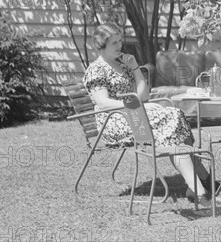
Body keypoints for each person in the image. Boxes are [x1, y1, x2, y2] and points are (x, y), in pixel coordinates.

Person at [83, 23, 214, 204]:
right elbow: (103, 103)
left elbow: (143, 95)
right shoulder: (96, 69)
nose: (120, 45)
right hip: (113, 121)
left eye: (120, 40)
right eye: (114, 43)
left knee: (175, 115)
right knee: (171, 121)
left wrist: (135, 67)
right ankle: (201, 185)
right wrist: (135, 107)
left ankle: (198, 186)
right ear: (100, 45)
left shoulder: (123, 65)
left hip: (133, 116)